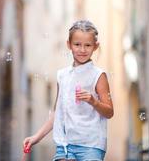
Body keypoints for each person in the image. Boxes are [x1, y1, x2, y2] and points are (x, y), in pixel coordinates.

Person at [23, 20, 114, 161]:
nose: (82, 50)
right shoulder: (62, 76)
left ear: (95, 47)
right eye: (77, 44)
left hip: (91, 146)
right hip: (65, 146)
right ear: (69, 45)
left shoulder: (98, 76)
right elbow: (57, 114)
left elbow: (109, 112)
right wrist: (36, 137)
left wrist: (93, 101)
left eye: (88, 45)